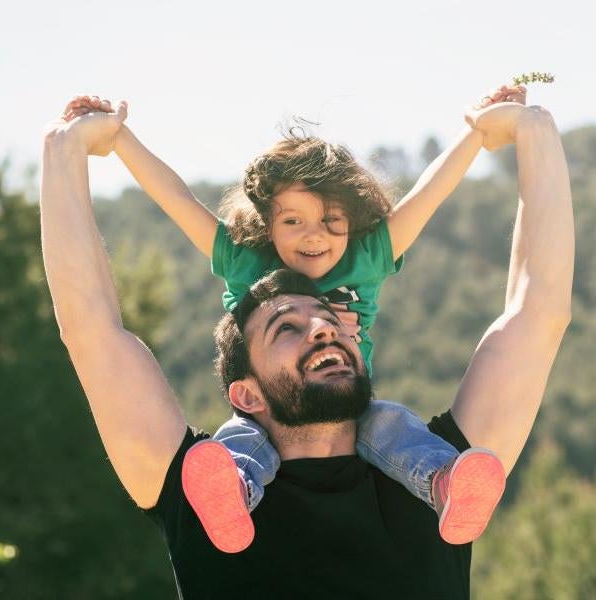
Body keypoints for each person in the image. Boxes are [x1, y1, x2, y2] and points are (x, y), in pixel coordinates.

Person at [40, 97, 573, 599]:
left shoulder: (447, 487)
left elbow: (538, 314)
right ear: (244, 393)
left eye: (332, 323)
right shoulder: (200, 489)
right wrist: (64, 151)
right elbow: (92, 331)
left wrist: (534, 130)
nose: (323, 328)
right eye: (285, 328)